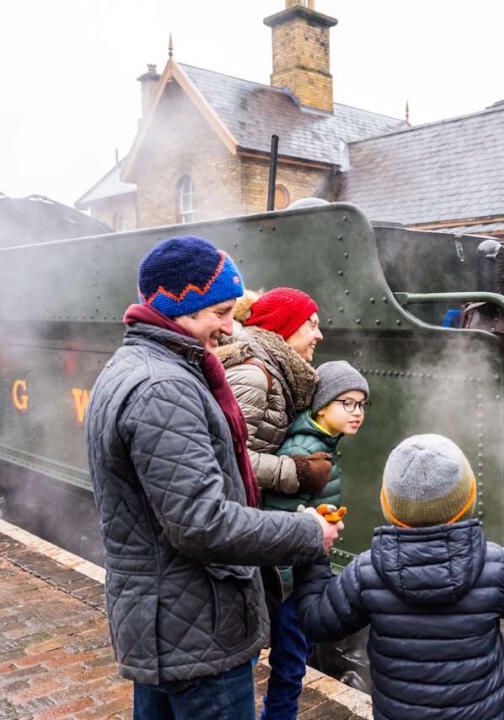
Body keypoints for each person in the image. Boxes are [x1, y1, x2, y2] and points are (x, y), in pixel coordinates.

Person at [85, 235, 342, 720]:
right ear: (179, 305)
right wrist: (306, 532)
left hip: (168, 625)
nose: (231, 327)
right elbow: (202, 522)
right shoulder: (164, 388)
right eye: (220, 312)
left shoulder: (133, 367)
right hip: (197, 630)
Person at [294, 434, 504, 720]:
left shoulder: (367, 571)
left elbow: (316, 621)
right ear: (468, 498)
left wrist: (314, 545)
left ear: (388, 504)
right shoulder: (495, 564)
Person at [216, 287, 335, 719]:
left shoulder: (277, 372)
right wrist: (295, 472)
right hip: (240, 524)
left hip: (252, 519)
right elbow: (229, 455)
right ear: (285, 329)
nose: (318, 335)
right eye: (311, 324)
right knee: (245, 643)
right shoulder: (255, 375)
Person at [261, 360, 370, 720]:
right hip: (290, 582)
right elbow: (280, 518)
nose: (357, 413)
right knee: (290, 667)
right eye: (347, 403)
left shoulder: (322, 441)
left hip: (297, 573)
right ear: (323, 405)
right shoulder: (306, 447)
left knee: (291, 666)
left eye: (361, 405)